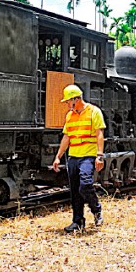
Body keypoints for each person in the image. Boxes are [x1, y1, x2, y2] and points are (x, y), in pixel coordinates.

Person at [52, 84, 106, 232]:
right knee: (75, 190)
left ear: (76, 99)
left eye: (68, 101)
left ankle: (96, 210)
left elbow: (99, 134)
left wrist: (99, 156)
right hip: (73, 157)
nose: (67, 104)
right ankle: (77, 221)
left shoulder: (94, 112)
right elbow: (66, 137)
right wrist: (58, 157)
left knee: (85, 185)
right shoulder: (70, 116)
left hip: (88, 155)